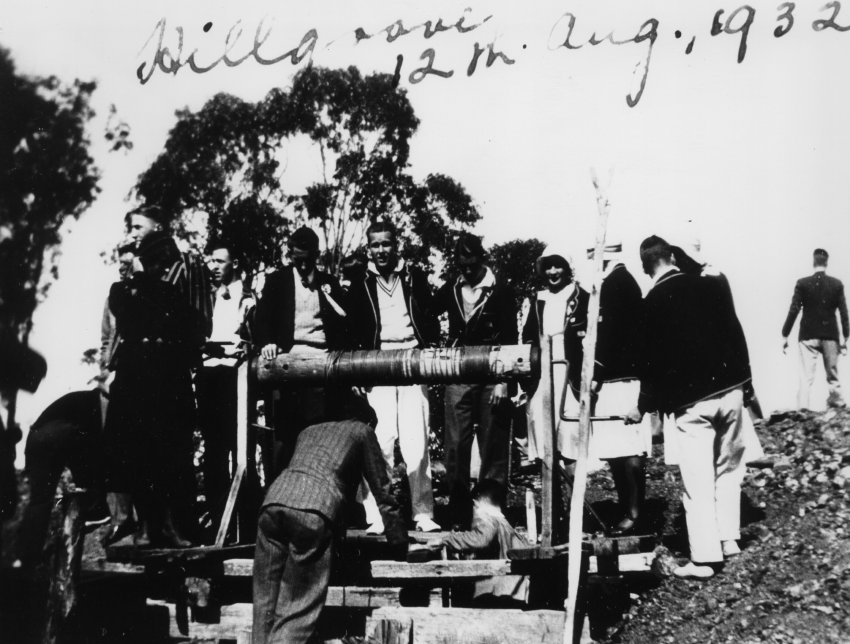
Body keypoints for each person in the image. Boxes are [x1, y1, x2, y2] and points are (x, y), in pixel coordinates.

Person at [626, 236, 752, 579]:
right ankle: (730, 539)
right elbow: (734, 331)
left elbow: (648, 363)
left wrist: (643, 407)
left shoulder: (650, 302)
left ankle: (705, 559)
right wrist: (747, 384)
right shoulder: (708, 285)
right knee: (728, 469)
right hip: (731, 391)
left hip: (692, 402)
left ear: (645, 266)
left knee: (697, 479)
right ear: (672, 257)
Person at [103, 205, 212, 548]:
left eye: (138, 225)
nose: (133, 231)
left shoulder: (185, 268)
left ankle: (175, 527)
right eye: (130, 227)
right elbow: (130, 319)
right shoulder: (122, 288)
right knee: (138, 453)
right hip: (137, 373)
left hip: (169, 371)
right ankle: (147, 528)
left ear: (157, 226)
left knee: (173, 451)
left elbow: (192, 319)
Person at [252, 418, 407, 644]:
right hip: (313, 511)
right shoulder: (363, 431)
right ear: (369, 420)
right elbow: (383, 492)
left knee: (264, 603)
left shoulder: (308, 430)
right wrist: (399, 542)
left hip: (272, 504)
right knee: (296, 611)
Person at [347, 221, 441, 534]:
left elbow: (428, 318)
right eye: (375, 245)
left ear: (395, 245)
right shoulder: (359, 282)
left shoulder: (414, 277)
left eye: (386, 244)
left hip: (412, 364)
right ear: (368, 248)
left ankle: (422, 513)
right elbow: (354, 329)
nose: (381, 250)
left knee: (417, 443)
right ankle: (376, 514)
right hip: (378, 366)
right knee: (380, 443)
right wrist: (358, 369)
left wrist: (426, 351)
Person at [562, 241, 652, 536]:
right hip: (612, 379)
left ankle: (635, 513)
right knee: (615, 449)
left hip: (621, 379)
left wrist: (596, 372)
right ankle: (629, 510)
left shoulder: (618, 284)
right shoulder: (609, 284)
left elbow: (610, 336)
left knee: (629, 450)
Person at [434, 233, 517, 528]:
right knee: (455, 445)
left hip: (492, 375)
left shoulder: (501, 292)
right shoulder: (452, 289)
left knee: (493, 443)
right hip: (458, 374)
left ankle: (490, 511)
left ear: (482, 259)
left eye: (471, 265)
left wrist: (503, 380)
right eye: (461, 265)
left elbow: (510, 338)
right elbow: (427, 312)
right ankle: (458, 512)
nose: (467, 271)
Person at [253, 227, 350, 477]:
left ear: (317, 255)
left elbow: (345, 323)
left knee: (321, 433)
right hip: (290, 363)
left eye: (309, 259)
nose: (304, 265)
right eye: (298, 260)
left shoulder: (328, 283)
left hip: (322, 364)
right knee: (286, 437)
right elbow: (262, 319)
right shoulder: (277, 281)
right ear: (291, 255)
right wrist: (268, 342)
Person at [197, 244, 255, 530]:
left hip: (235, 375)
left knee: (239, 446)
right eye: (211, 261)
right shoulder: (205, 297)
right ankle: (218, 515)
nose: (214, 266)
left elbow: (253, 337)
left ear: (234, 263)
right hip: (208, 374)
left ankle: (244, 517)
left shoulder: (248, 297)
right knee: (214, 448)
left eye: (220, 261)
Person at [18, 389, 108, 567]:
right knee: (93, 445)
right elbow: (96, 446)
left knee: (39, 501)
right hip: (54, 434)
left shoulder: (82, 402)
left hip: (36, 438)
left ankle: (28, 556)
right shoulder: (98, 404)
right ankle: (92, 502)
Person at [520, 244, 584, 465]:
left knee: (571, 431)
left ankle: (572, 497)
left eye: (558, 266)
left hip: (570, 373)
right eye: (548, 267)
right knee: (542, 424)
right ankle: (550, 493)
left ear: (567, 269)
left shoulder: (581, 297)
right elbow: (528, 337)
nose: (553, 272)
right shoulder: (538, 300)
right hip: (543, 372)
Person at [427, 479, 529, 606]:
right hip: (511, 590)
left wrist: (447, 539)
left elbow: (481, 539)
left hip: (497, 592)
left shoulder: (489, 520)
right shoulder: (506, 525)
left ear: (476, 503)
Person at [782, 248, 849, 410]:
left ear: (813, 262)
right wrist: (846, 337)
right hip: (830, 334)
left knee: (806, 377)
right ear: (827, 263)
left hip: (807, 334)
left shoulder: (802, 283)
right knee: (832, 375)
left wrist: (785, 334)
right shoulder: (837, 284)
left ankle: (803, 409)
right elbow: (843, 312)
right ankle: (838, 406)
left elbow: (794, 309)